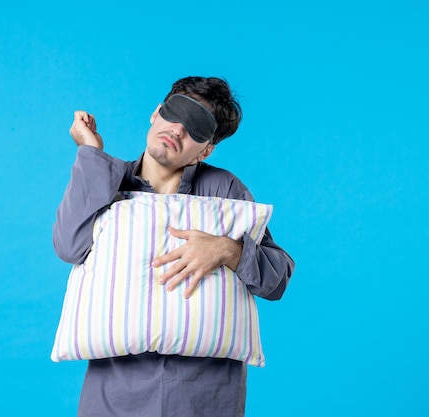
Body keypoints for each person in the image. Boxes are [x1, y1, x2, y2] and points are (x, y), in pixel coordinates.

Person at [52, 76, 295, 417]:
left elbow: (277, 279)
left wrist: (227, 249)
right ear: (156, 113)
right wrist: (90, 152)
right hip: (114, 397)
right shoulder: (105, 179)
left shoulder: (225, 191)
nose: (177, 130)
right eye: (174, 113)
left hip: (206, 399)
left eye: (196, 128)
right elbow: (68, 246)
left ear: (207, 149)